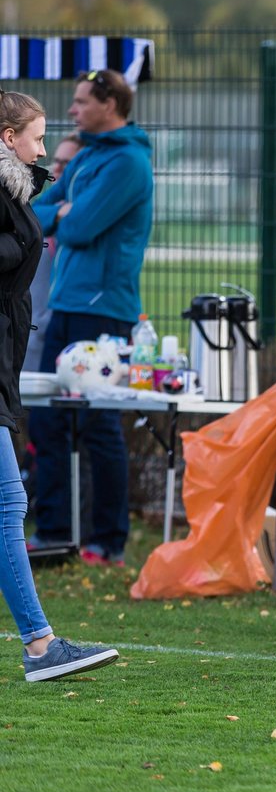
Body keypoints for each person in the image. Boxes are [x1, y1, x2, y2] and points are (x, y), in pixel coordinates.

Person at [0, 90, 118, 681]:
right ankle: (40, 645)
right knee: (8, 504)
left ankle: (40, 644)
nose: (44, 150)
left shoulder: (15, 192)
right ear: (6, 137)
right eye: (37, 138)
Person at [28, 69, 154, 567]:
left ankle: (109, 542)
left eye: (81, 102)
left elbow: (77, 227)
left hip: (103, 311)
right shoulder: (87, 157)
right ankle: (55, 532)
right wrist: (60, 211)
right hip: (65, 305)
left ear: (109, 103)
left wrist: (62, 214)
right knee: (47, 419)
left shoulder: (128, 163)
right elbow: (36, 212)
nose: (73, 110)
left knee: (99, 427)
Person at [23, 132, 81, 373]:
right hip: (33, 337)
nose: (56, 167)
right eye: (57, 160)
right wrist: (57, 214)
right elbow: (34, 217)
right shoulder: (52, 200)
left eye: (66, 163)